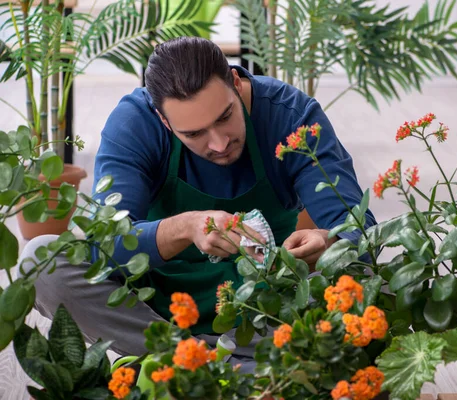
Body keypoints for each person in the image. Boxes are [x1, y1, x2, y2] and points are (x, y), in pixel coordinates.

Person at [22, 36, 376, 372]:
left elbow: (360, 233)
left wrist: (329, 243)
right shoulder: (134, 123)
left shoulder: (291, 116)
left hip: (270, 317)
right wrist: (186, 226)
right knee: (41, 261)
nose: (219, 144)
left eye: (224, 117)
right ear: (163, 120)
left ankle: (190, 372)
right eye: (194, 134)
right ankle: (205, 363)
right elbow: (105, 243)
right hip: (158, 320)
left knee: (377, 280)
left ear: (236, 84)